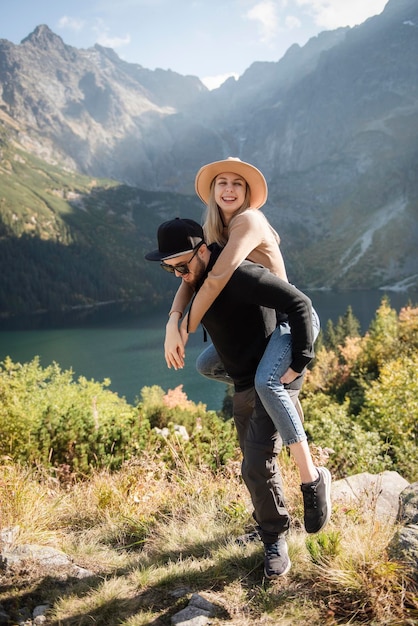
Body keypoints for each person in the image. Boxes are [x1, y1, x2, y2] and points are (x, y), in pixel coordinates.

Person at [145, 218, 331, 579]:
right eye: (171, 269)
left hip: (273, 374)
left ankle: (276, 538)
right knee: (251, 460)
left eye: (183, 265)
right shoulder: (197, 276)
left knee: (256, 464)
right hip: (245, 381)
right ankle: (267, 522)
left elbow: (301, 305)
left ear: (203, 251)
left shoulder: (239, 274)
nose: (180, 275)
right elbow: (186, 293)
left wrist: (298, 363)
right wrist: (173, 322)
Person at [165, 158, 322, 497]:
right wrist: (172, 321)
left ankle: (312, 478)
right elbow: (191, 277)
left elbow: (216, 279)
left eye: (238, 183)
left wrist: (185, 329)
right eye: (222, 182)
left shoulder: (248, 221)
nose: (229, 188)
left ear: (247, 191)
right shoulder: (213, 233)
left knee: (266, 382)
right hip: (262, 329)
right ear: (213, 191)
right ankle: (278, 398)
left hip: (289, 323)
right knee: (207, 364)